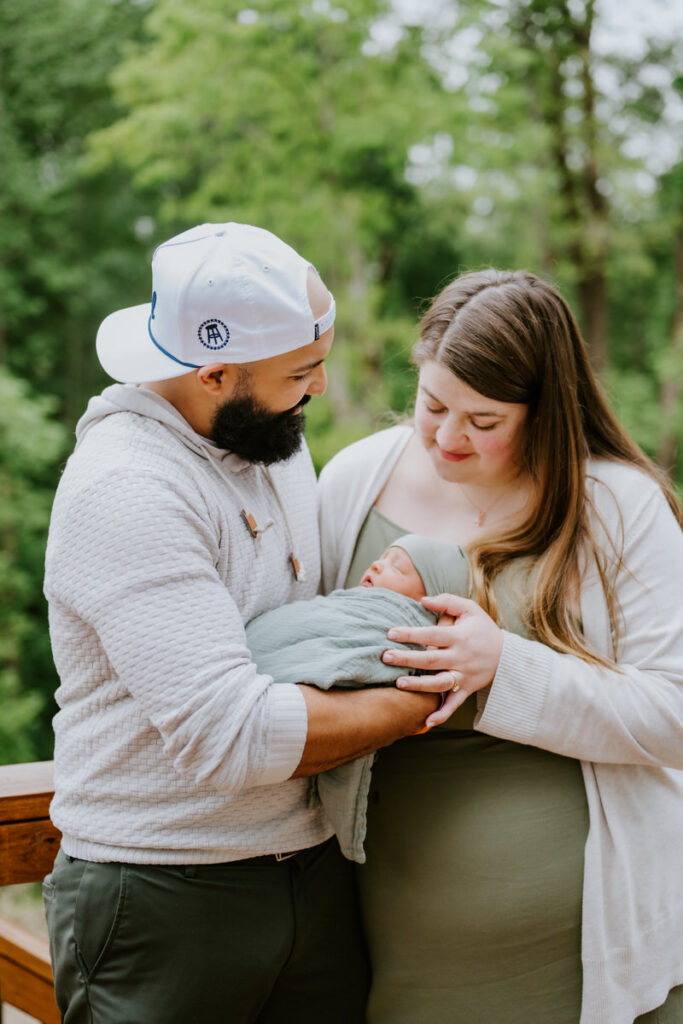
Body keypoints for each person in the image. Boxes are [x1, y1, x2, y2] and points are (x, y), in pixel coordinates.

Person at [42, 222, 438, 1024]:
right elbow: (231, 737)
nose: (321, 388)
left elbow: (313, 629)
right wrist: (422, 700)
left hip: (310, 869)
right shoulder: (126, 488)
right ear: (216, 373)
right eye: (303, 370)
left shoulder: (270, 440)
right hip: (160, 893)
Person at [318, 268, 683, 1024]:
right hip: (388, 928)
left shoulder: (616, 504)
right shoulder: (354, 481)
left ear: (545, 409)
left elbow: (674, 715)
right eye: (432, 405)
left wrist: (502, 669)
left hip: (586, 948)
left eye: (483, 421)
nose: (448, 437)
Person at [247, 533, 477, 862]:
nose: (377, 564)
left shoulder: (398, 629)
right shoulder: (341, 605)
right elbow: (303, 627)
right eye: (382, 558)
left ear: (434, 603)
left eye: (397, 568)